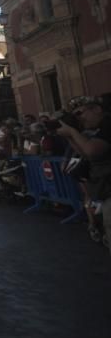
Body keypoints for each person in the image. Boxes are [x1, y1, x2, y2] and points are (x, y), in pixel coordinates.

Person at [57, 96, 111, 259]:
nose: (79, 118)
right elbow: (83, 153)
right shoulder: (101, 128)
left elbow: (92, 151)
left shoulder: (108, 124)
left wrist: (72, 131)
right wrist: (69, 135)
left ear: (97, 109)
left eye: (80, 113)